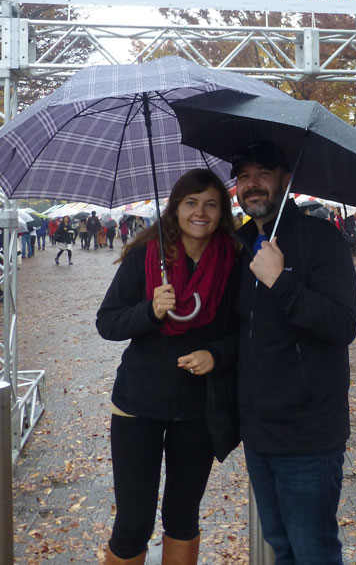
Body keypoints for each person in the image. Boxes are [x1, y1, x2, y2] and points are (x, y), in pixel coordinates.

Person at [95, 169, 239, 565]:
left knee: (182, 516)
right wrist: (149, 311)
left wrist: (217, 355)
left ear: (222, 211)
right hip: (138, 405)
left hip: (197, 408)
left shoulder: (235, 258)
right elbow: (107, 322)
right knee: (133, 523)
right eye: (191, 202)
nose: (200, 212)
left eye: (211, 204)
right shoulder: (146, 254)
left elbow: (246, 331)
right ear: (175, 208)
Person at [230, 140, 356, 564]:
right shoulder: (238, 244)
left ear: (286, 179)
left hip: (308, 436)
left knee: (313, 551)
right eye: (243, 175)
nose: (252, 184)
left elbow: (343, 324)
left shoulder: (322, 240)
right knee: (282, 547)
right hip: (258, 433)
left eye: (263, 173)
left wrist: (280, 282)